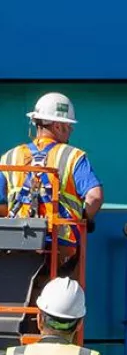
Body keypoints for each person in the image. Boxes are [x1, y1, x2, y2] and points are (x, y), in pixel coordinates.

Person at [0, 93, 104, 330]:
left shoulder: (9, 157)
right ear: (57, 125)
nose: (70, 132)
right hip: (61, 245)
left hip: (15, 248)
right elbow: (95, 196)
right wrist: (85, 219)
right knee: (61, 308)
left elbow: (1, 205)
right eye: (68, 127)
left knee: (15, 307)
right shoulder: (73, 156)